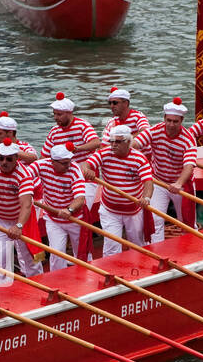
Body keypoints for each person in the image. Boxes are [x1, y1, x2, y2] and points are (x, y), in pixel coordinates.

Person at [83, 125, 153, 255]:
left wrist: (146, 198)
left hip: (133, 210)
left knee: (138, 246)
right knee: (111, 246)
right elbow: (86, 164)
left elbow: (148, 183)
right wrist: (87, 170)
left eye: (118, 142)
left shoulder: (139, 159)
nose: (113, 145)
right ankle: (111, 273)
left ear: (128, 142)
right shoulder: (103, 153)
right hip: (110, 210)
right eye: (112, 141)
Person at [0, 139, 41, 277]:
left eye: (8, 159)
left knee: (32, 257)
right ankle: (4, 290)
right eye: (1, 158)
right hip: (0, 218)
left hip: (23, 219)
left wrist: (18, 226)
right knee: (1, 259)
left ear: (17, 159)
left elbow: (26, 205)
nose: (4, 162)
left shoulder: (24, 175)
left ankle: (39, 281)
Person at [135, 98, 190, 239]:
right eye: (169, 120)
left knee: (186, 222)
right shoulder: (155, 130)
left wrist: (179, 183)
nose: (171, 125)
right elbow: (136, 143)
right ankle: (157, 251)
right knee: (156, 219)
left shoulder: (188, 139)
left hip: (181, 184)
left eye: (175, 121)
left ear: (181, 121)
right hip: (159, 182)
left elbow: (189, 166)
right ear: (164, 118)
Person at [43, 91, 101, 202]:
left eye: (59, 114)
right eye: (54, 114)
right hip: (65, 175)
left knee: (81, 206)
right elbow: (44, 157)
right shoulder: (54, 131)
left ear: (69, 113)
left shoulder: (82, 125)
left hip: (85, 174)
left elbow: (96, 142)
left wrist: (77, 148)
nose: (55, 117)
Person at [36, 143, 87, 260]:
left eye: (69, 161)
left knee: (82, 253)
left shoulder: (74, 170)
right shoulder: (41, 165)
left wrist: (69, 209)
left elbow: (80, 198)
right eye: (64, 163)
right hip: (53, 219)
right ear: (53, 162)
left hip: (75, 218)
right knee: (57, 254)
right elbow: (24, 176)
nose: (68, 165)